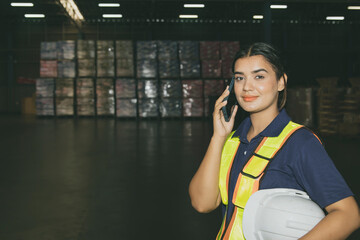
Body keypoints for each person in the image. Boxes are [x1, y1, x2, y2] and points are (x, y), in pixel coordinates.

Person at [188, 42, 360, 239]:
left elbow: (348, 214)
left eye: (259, 76)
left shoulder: (299, 142)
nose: (246, 87)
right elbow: (202, 203)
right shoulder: (233, 140)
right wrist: (218, 137)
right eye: (239, 78)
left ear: (281, 82)